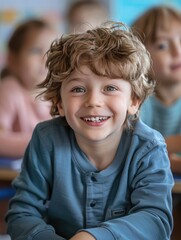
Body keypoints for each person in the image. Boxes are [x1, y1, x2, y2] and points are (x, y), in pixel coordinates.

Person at [6, 21, 174, 240]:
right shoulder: (46, 139)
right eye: (78, 89)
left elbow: (156, 219)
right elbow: (22, 213)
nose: (93, 101)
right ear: (59, 102)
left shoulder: (149, 147)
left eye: (110, 88)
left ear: (134, 100)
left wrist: (94, 237)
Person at [131, 6, 181, 240]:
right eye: (162, 45)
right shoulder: (138, 101)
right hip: (140, 201)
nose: (177, 50)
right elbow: (133, 154)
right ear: (141, 56)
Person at [0, 19, 56, 158]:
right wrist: (40, 142)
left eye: (53, 51)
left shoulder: (60, 94)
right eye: (36, 50)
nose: (46, 58)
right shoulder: (10, 89)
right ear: (12, 60)